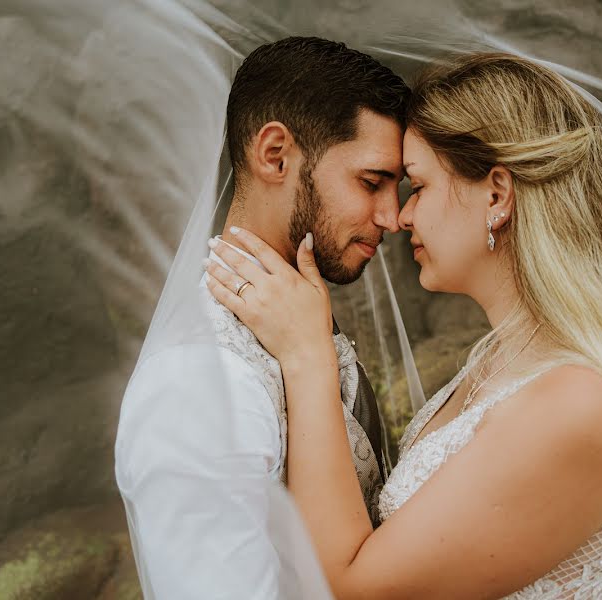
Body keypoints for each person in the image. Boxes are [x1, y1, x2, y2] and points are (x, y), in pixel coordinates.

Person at [207, 53, 602, 599]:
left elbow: (351, 589)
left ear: (497, 195)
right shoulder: (500, 363)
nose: (401, 217)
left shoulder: (578, 405)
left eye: (419, 186)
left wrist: (307, 357)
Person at [114, 36, 410, 599]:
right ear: (275, 154)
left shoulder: (299, 320)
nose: (392, 216)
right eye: (371, 182)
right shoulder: (196, 381)